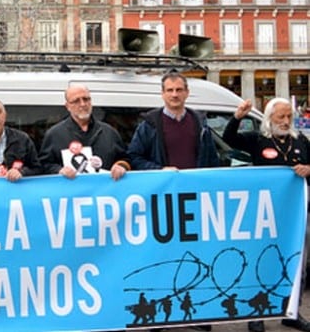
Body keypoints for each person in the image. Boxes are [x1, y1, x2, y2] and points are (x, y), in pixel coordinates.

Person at [224, 98, 310, 332]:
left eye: (289, 117)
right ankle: (257, 314)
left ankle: (291, 311)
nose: (285, 121)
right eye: (280, 116)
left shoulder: (300, 140)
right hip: (264, 213)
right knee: (261, 260)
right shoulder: (257, 140)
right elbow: (229, 138)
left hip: (295, 215)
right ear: (269, 117)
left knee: (295, 263)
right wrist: (238, 116)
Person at [128, 72, 219, 171]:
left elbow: (212, 160)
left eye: (179, 90)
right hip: (165, 185)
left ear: (187, 92)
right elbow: (134, 157)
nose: (174, 94)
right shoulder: (149, 125)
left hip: (196, 185)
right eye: (170, 90)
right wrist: (160, 170)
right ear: (163, 94)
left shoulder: (200, 124)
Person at [39, 84, 130, 180]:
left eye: (86, 99)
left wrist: (121, 166)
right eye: (76, 101)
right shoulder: (54, 134)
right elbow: (43, 165)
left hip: (105, 192)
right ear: (67, 106)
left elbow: (126, 159)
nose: (82, 104)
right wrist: (59, 170)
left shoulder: (109, 132)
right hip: (70, 192)